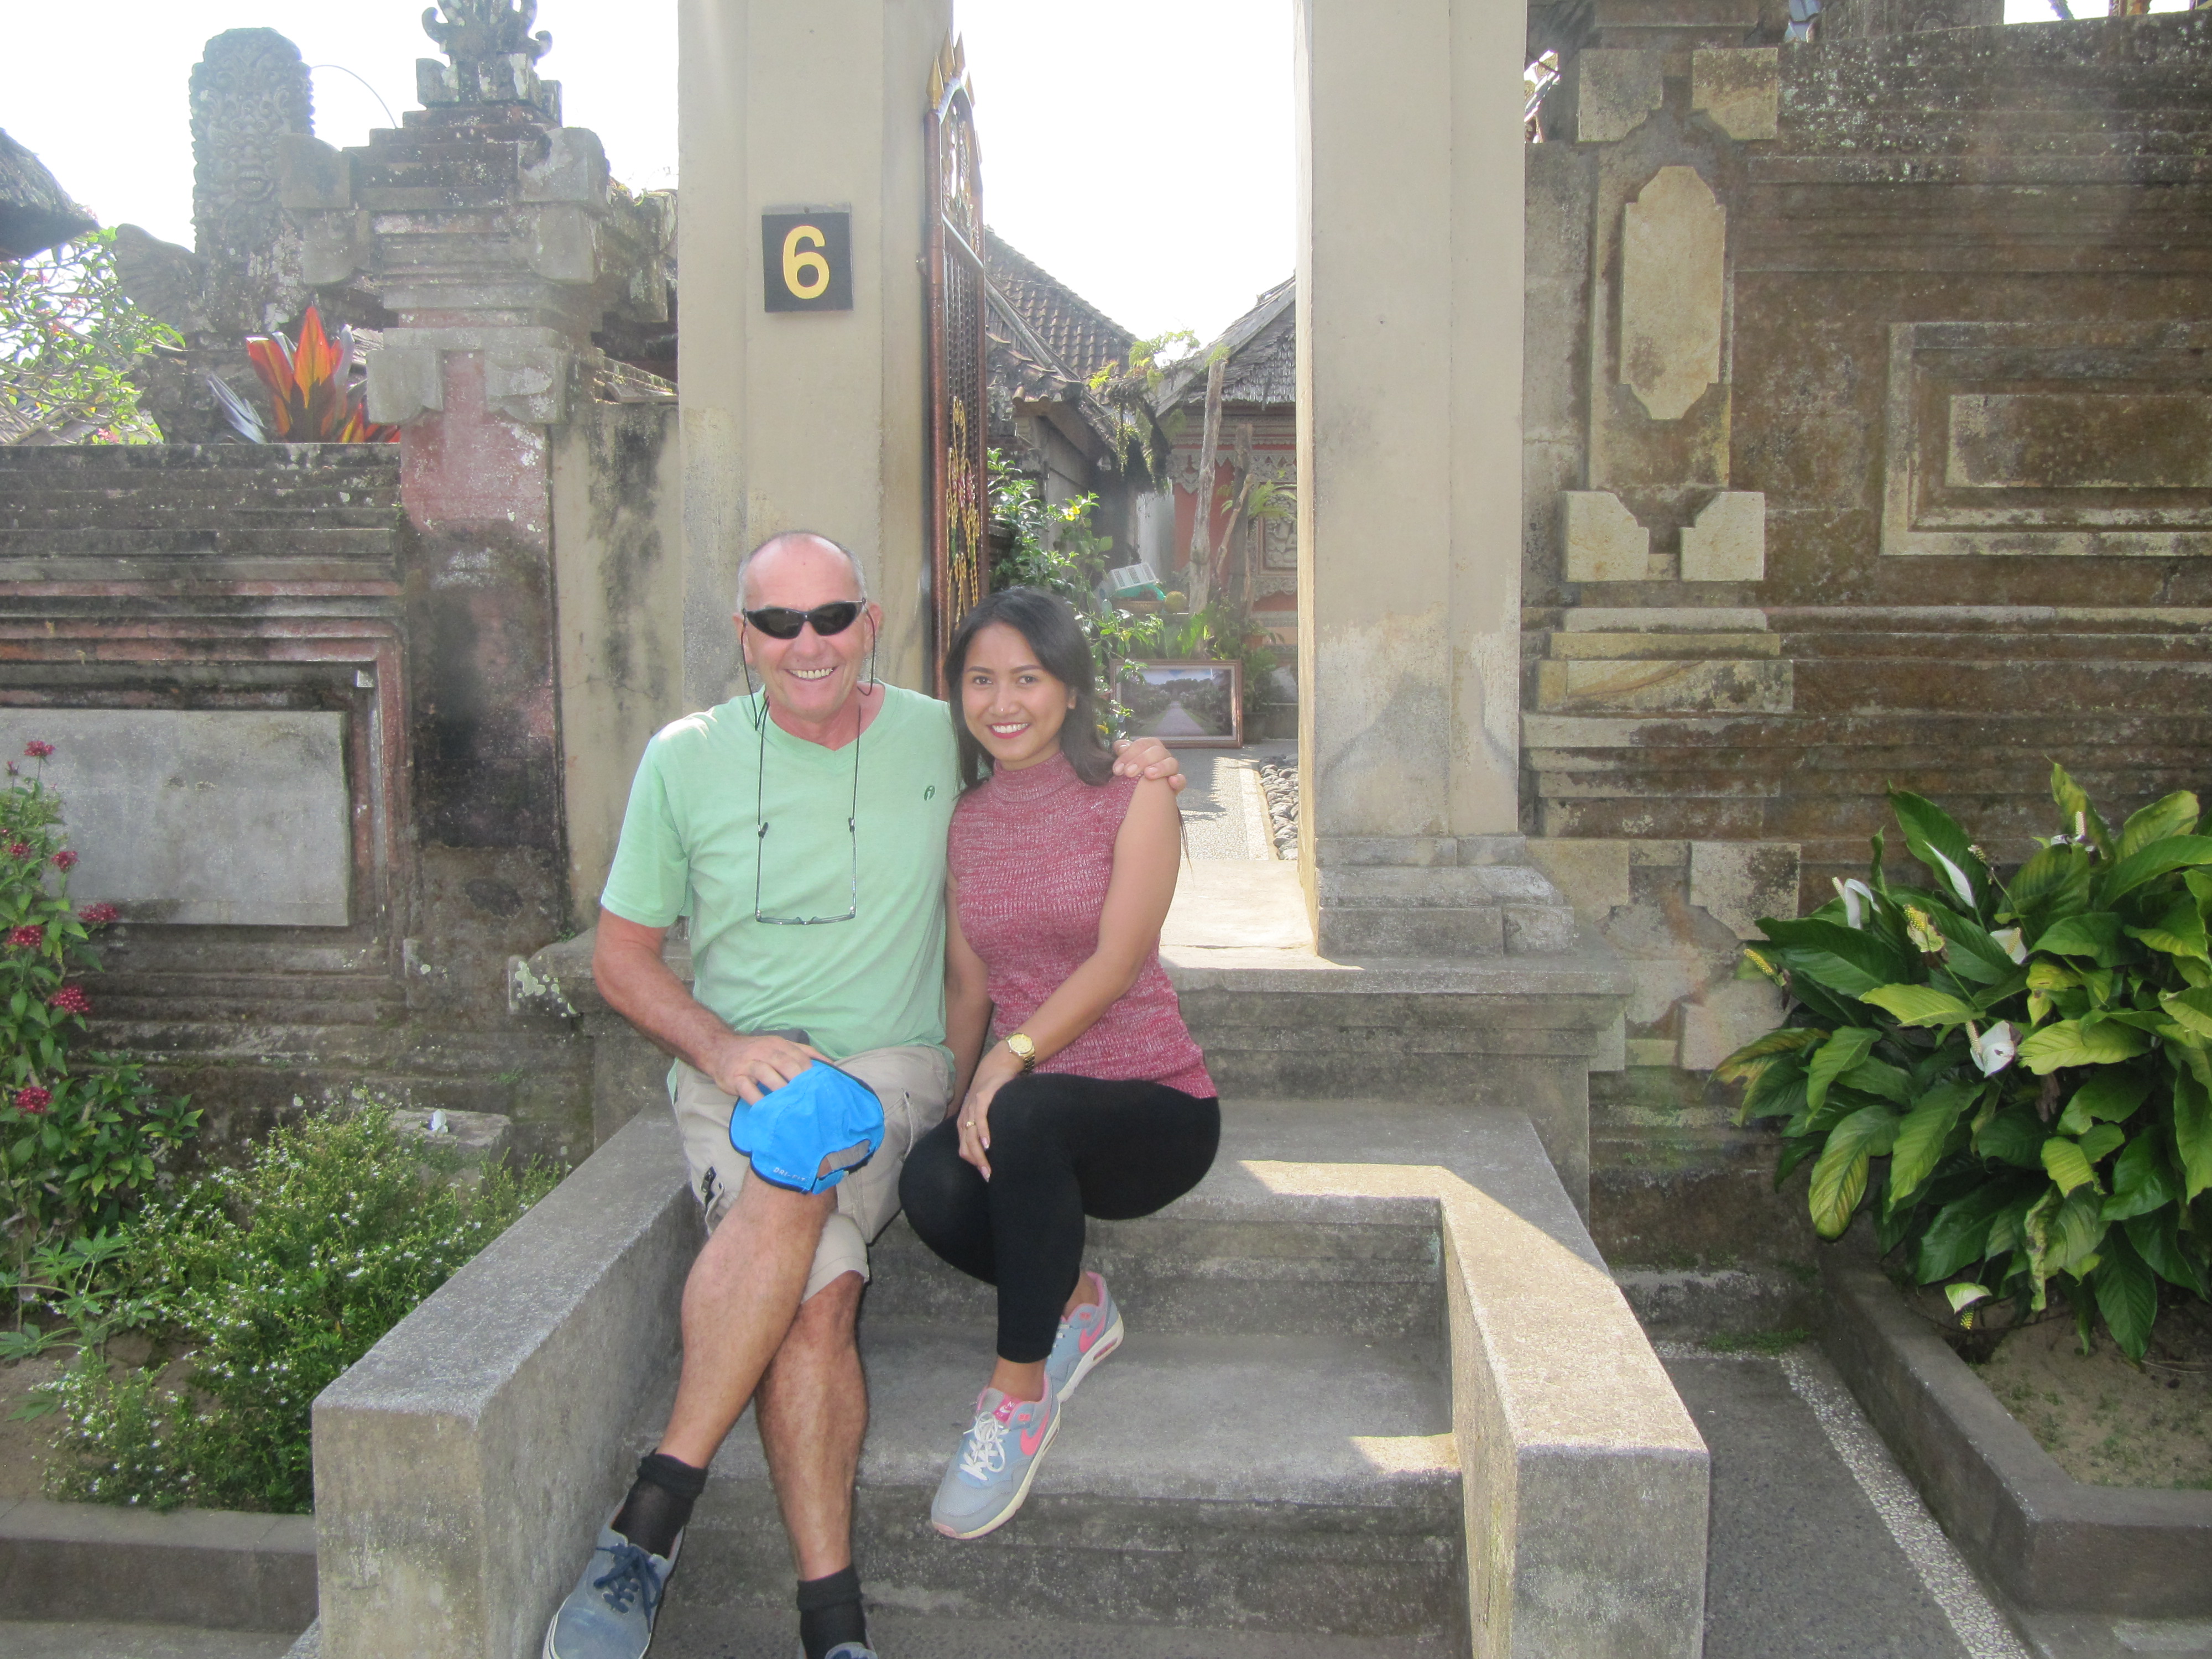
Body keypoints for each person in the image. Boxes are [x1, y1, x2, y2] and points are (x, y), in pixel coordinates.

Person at [542, 536, 1183, 1659]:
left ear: (869, 623)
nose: (809, 644)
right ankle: (833, 1624)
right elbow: (621, 959)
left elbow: (1051, 751)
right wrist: (721, 1047)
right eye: (778, 623)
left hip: (892, 1068)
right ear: (743, 637)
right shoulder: (684, 758)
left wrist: (1142, 759)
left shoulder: (943, 734)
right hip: (737, 1076)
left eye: (831, 617)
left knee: (810, 1131)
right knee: (818, 1292)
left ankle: (647, 1523)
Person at [898, 586, 1220, 1542]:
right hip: (1030, 1115)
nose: (1004, 702)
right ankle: (1080, 1301)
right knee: (931, 1184)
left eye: (1028, 679)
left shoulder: (1136, 792)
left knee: (1022, 1111)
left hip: (1153, 1109)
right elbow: (968, 985)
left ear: (1071, 689)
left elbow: (1117, 963)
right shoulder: (968, 822)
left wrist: (1009, 1060)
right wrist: (953, 1102)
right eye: (981, 680)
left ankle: (1019, 1396)